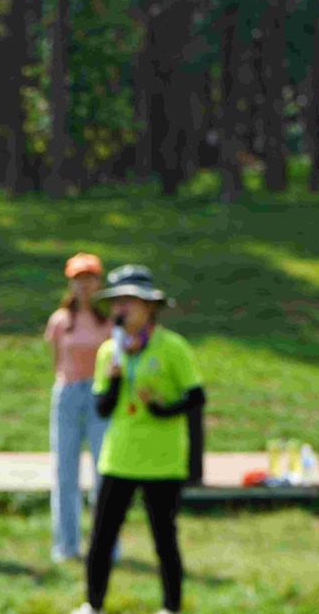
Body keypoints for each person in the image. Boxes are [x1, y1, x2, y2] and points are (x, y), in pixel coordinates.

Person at [73, 265, 207, 614]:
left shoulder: (172, 347)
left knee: (164, 538)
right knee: (102, 536)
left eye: (130, 301)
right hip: (119, 457)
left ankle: (171, 607)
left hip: (162, 460)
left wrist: (163, 409)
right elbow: (103, 408)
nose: (121, 308)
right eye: (117, 301)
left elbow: (196, 397)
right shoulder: (109, 351)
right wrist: (116, 379)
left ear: (149, 307)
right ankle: (93, 605)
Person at [46, 253, 113, 563]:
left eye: (90, 278)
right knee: (65, 472)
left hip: (100, 396)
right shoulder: (61, 320)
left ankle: (106, 544)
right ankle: (66, 545)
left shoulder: (109, 320)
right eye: (78, 279)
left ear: (98, 282)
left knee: (104, 472)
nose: (84, 285)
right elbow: (56, 361)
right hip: (69, 394)